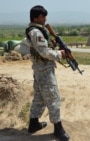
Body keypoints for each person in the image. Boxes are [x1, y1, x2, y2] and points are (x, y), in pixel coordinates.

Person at [26, 5, 69, 141]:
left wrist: (53, 45)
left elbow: (43, 48)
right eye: (42, 16)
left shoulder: (37, 30)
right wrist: (59, 54)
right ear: (36, 18)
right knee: (53, 97)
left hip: (39, 70)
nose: (45, 19)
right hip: (44, 70)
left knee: (39, 97)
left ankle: (33, 124)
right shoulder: (36, 32)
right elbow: (44, 52)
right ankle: (58, 129)